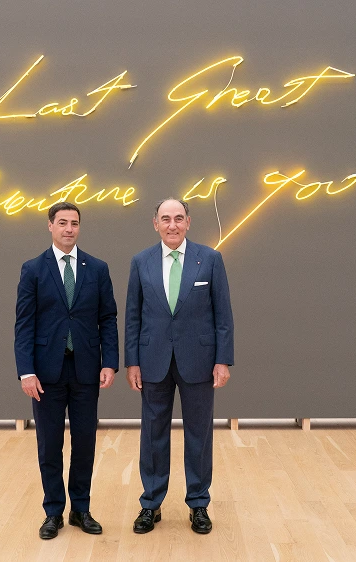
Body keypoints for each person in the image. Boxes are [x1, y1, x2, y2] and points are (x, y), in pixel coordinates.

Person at [124, 198, 234, 534]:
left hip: (198, 362)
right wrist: (132, 361)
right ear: (154, 223)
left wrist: (222, 359)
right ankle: (151, 505)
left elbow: (223, 315)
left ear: (189, 222)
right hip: (153, 360)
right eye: (165, 219)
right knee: (152, 434)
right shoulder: (140, 261)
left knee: (199, 434)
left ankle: (198, 504)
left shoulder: (210, 259)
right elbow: (132, 316)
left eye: (179, 218)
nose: (172, 225)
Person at [14, 201, 119, 540]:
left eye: (74, 223)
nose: (69, 229)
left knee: (85, 443)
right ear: (50, 226)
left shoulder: (98, 268)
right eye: (62, 223)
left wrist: (110, 362)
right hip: (45, 373)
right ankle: (53, 512)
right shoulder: (33, 269)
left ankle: (81, 510)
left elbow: (108, 319)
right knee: (49, 445)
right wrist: (25, 371)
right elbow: (24, 324)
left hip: (87, 370)